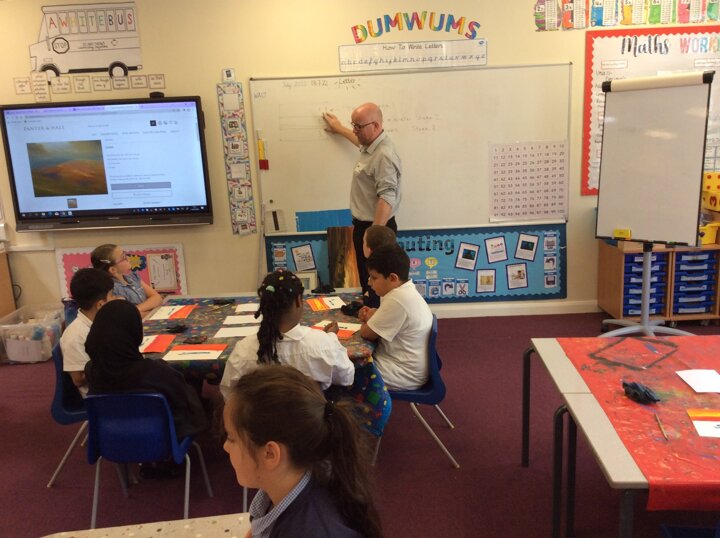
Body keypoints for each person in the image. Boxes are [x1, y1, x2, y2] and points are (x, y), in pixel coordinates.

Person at [223, 365, 383, 538]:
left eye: (231, 438)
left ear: (270, 454)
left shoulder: (310, 529)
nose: (225, 446)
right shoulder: (290, 482)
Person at [219, 270, 355, 401]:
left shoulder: (243, 351)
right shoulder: (323, 345)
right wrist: (332, 338)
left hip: (260, 417)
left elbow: (229, 396)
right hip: (309, 416)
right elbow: (347, 377)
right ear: (298, 301)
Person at [84, 299, 207, 439]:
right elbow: (180, 400)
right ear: (135, 332)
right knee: (191, 386)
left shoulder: (91, 371)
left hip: (112, 437)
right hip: (163, 437)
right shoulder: (157, 372)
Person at [322, 103, 401, 304]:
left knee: (377, 285)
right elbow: (358, 141)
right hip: (366, 227)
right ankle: (371, 312)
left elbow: (387, 197)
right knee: (369, 284)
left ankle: (376, 320)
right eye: (353, 125)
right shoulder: (371, 146)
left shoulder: (383, 155)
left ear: (375, 126)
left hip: (376, 228)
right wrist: (339, 128)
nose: (355, 130)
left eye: (358, 126)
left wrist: (372, 238)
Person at [358, 243, 432, 390]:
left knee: (344, 369)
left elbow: (366, 333)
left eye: (374, 277)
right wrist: (374, 317)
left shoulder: (398, 299)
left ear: (392, 278)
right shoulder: (403, 291)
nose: (369, 282)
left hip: (403, 373)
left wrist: (370, 320)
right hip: (404, 365)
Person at [60, 268, 115, 396]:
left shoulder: (103, 321)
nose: (115, 298)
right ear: (100, 304)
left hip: (112, 382)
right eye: (112, 295)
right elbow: (78, 379)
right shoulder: (76, 335)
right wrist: (113, 363)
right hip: (101, 394)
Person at [90, 243, 162, 316]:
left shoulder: (133, 277)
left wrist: (136, 309)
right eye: (123, 257)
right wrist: (152, 313)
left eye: (125, 254)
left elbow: (157, 297)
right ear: (113, 270)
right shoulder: (113, 290)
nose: (128, 258)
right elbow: (127, 315)